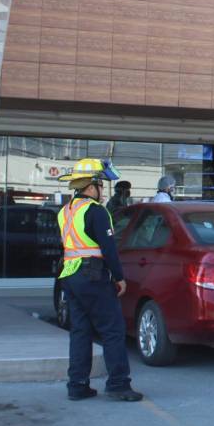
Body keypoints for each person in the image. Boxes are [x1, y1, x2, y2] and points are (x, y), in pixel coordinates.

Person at [57, 158, 143, 402]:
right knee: (113, 330)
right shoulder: (96, 211)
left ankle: (77, 385)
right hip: (92, 275)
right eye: (101, 186)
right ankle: (118, 384)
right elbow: (108, 247)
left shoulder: (65, 211)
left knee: (80, 331)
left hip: (70, 275)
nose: (103, 191)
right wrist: (119, 277)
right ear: (91, 186)